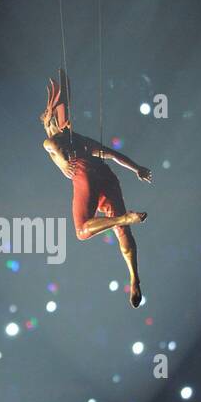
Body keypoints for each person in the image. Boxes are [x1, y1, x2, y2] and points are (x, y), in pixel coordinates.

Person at [40, 72, 150, 307]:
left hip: (85, 176)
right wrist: (136, 168)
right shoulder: (78, 139)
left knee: (82, 231)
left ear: (51, 123)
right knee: (123, 234)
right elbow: (111, 154)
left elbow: (47, 143)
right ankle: (134, 277)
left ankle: (123, 218)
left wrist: (60, 158)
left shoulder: (57, 139)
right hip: (107, 177)